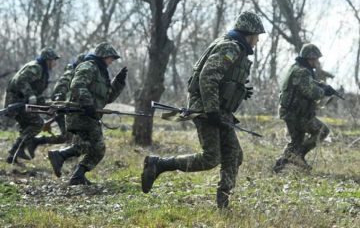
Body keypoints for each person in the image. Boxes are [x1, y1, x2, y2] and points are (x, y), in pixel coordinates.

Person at [141, 11, 265, 208]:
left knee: (234, 154)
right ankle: (159, 164)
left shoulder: (234, 47)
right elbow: (208, 77)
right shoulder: (231, 47)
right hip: (208, 110)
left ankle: (223, 203)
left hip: (216, 110)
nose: (257, 40)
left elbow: (222, 78)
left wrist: (239, 90)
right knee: (210, 158)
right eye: (257, 35)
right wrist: (213, 111)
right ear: (249, 33)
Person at [48, 42, 127, 185]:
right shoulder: (88, 66)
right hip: (80, 114)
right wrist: (88, 104)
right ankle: (62, 157)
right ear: (103, 56)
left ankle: (75, 172)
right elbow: (77, 85)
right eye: (111, 58)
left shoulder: (103, 73)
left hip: (91, 115)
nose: (112, 61)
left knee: (93, 148)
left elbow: (107, 98)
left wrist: (119, 82)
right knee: (93, 147)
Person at [273, 43, 336, 173]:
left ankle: (278, 167)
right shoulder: (302, 72)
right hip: (296, 114)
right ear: (310, 58)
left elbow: (307, 87)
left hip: (293, 112)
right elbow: (310, 92)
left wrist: (322, 86)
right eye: (316, 59)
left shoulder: (297, 69)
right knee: (322, 131)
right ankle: (298, 156)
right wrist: (324, 91)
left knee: (295, 141)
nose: (317, 62)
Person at [4, 47, 60, 164]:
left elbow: (35, 89)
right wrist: (30, 95)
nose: (55, 63)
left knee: (26, 126)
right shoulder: (37, 67)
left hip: (21, 100)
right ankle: (16, 150)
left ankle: (12, 156)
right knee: (37, 123)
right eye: (54, 60)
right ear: (48, 60)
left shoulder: (42, 69)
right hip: (17, 101)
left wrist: (43, 101)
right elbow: (21, 80)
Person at [26, 53, 86, 159]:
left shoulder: (77, 73)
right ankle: (64, 155)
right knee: (68, 135)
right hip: (62, 107)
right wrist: (59, 100)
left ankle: (37, 141)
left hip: (66, 107)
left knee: (67, 136)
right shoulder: (71, 72)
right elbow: (62, 85)